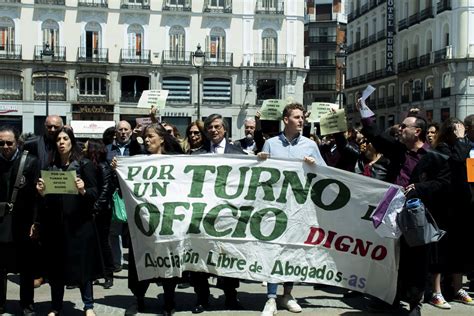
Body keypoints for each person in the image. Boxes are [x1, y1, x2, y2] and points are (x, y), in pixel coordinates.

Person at [359, 106, 451, 316]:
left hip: (418, 216)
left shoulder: (435, 157)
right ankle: (391, 298)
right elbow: (376, 136)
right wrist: (365, 113)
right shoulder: (398, 150)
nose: (400, 129)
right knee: (393, 258)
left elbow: (444, 184)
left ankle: (414, 303)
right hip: (393, 213)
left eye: (404, 126)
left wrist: (420, 188)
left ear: (416, 131)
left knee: (416, 260)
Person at [257, 103, 326, 316]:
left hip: (299, 207)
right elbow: (259, 173)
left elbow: (326, 173)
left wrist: (315, 164)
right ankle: (270, 298)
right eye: (296, 117)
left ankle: (287, 294)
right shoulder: (270, 143)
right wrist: (260, 159)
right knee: (273, 249)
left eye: (302, 117)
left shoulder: (310, 145)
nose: (301, 120)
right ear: (285, 119)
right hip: (274, 207)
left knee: (293, 250)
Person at [117, 123, 183, 316]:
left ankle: (169, 302)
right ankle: (139, 300)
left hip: (168, 221)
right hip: (143, 223)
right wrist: (118, 169)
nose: (146, 140)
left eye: (151, 136)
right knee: (141, 260)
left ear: (162, 139)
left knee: (168, 261)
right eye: (145, 137)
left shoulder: (176, 161)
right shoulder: (137, 161)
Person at [36, 127, 102, 316]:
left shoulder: (84, 164)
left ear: (72, 142)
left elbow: (94, 193)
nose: (62, 142)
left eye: (65, 138)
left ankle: (88, 306)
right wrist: (41, 192)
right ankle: (56, 306)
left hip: (79, 226)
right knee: (56, 268)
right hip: (56, 227)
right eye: (58, 140)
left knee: (82, 268)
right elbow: (46, 201)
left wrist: (83, 190)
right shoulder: (50, 168)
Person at [190, 114, 245, 313]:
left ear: (225, 129)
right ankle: (202, 299)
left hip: (229, 215)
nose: (213, 130)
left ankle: (231, 298)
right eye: (210, 128)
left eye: (217, 127)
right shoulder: (197, 155)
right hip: (203, 215)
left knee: (229, 256)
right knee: (201, 258)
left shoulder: (239, 154)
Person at [428, 118, 474, 309]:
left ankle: (457, 288)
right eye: (460, 131)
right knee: (441, 249)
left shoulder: (469, 148)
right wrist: (461, 141)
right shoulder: (442, 151)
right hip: (444, 206)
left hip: (463, 204)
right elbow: (455, 163)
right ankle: (436, 291)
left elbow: (471, 174)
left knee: (459, 250)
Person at [0, 125, 39, 316]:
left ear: (17, 143)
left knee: (26, 267)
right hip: (0, 222)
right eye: (1, 143)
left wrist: (35, 222)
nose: (5, 146)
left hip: (23, 223)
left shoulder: (31, 162)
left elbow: (37, 197)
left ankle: (26, 305)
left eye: (9, 142)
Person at [106, 121, 142, 273]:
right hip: (116, 195)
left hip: (134, 194)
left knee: (138, 230)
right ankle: (117, 262)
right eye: (120, 129)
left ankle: (139, 263)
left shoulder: (137, 148)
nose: (123, 132)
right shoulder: (108, 149)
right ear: (116, 132)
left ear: (131, 131)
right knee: (115, 231)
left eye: (126, 129)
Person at [84, 139, 115, 289]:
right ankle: (96, 273)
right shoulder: (91, 165)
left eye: (86, 147)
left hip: (102, 211)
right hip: (92, 209)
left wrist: (96, 207)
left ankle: (109, 274)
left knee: (103, 243)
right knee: (92, 244)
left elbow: (106, 190)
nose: (83, 149)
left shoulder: (104, 167)